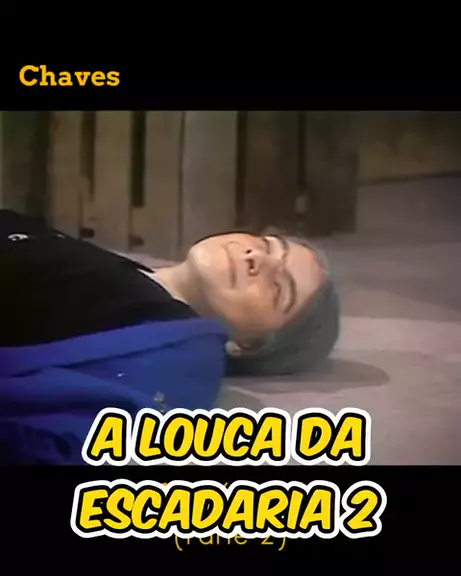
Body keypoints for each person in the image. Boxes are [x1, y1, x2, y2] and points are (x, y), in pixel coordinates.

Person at [0, 209, 340, 464]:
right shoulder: (114, 267)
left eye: (278, 288)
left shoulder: (183, 357)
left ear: (246, 346)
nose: (256, 258)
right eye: (267, 244)